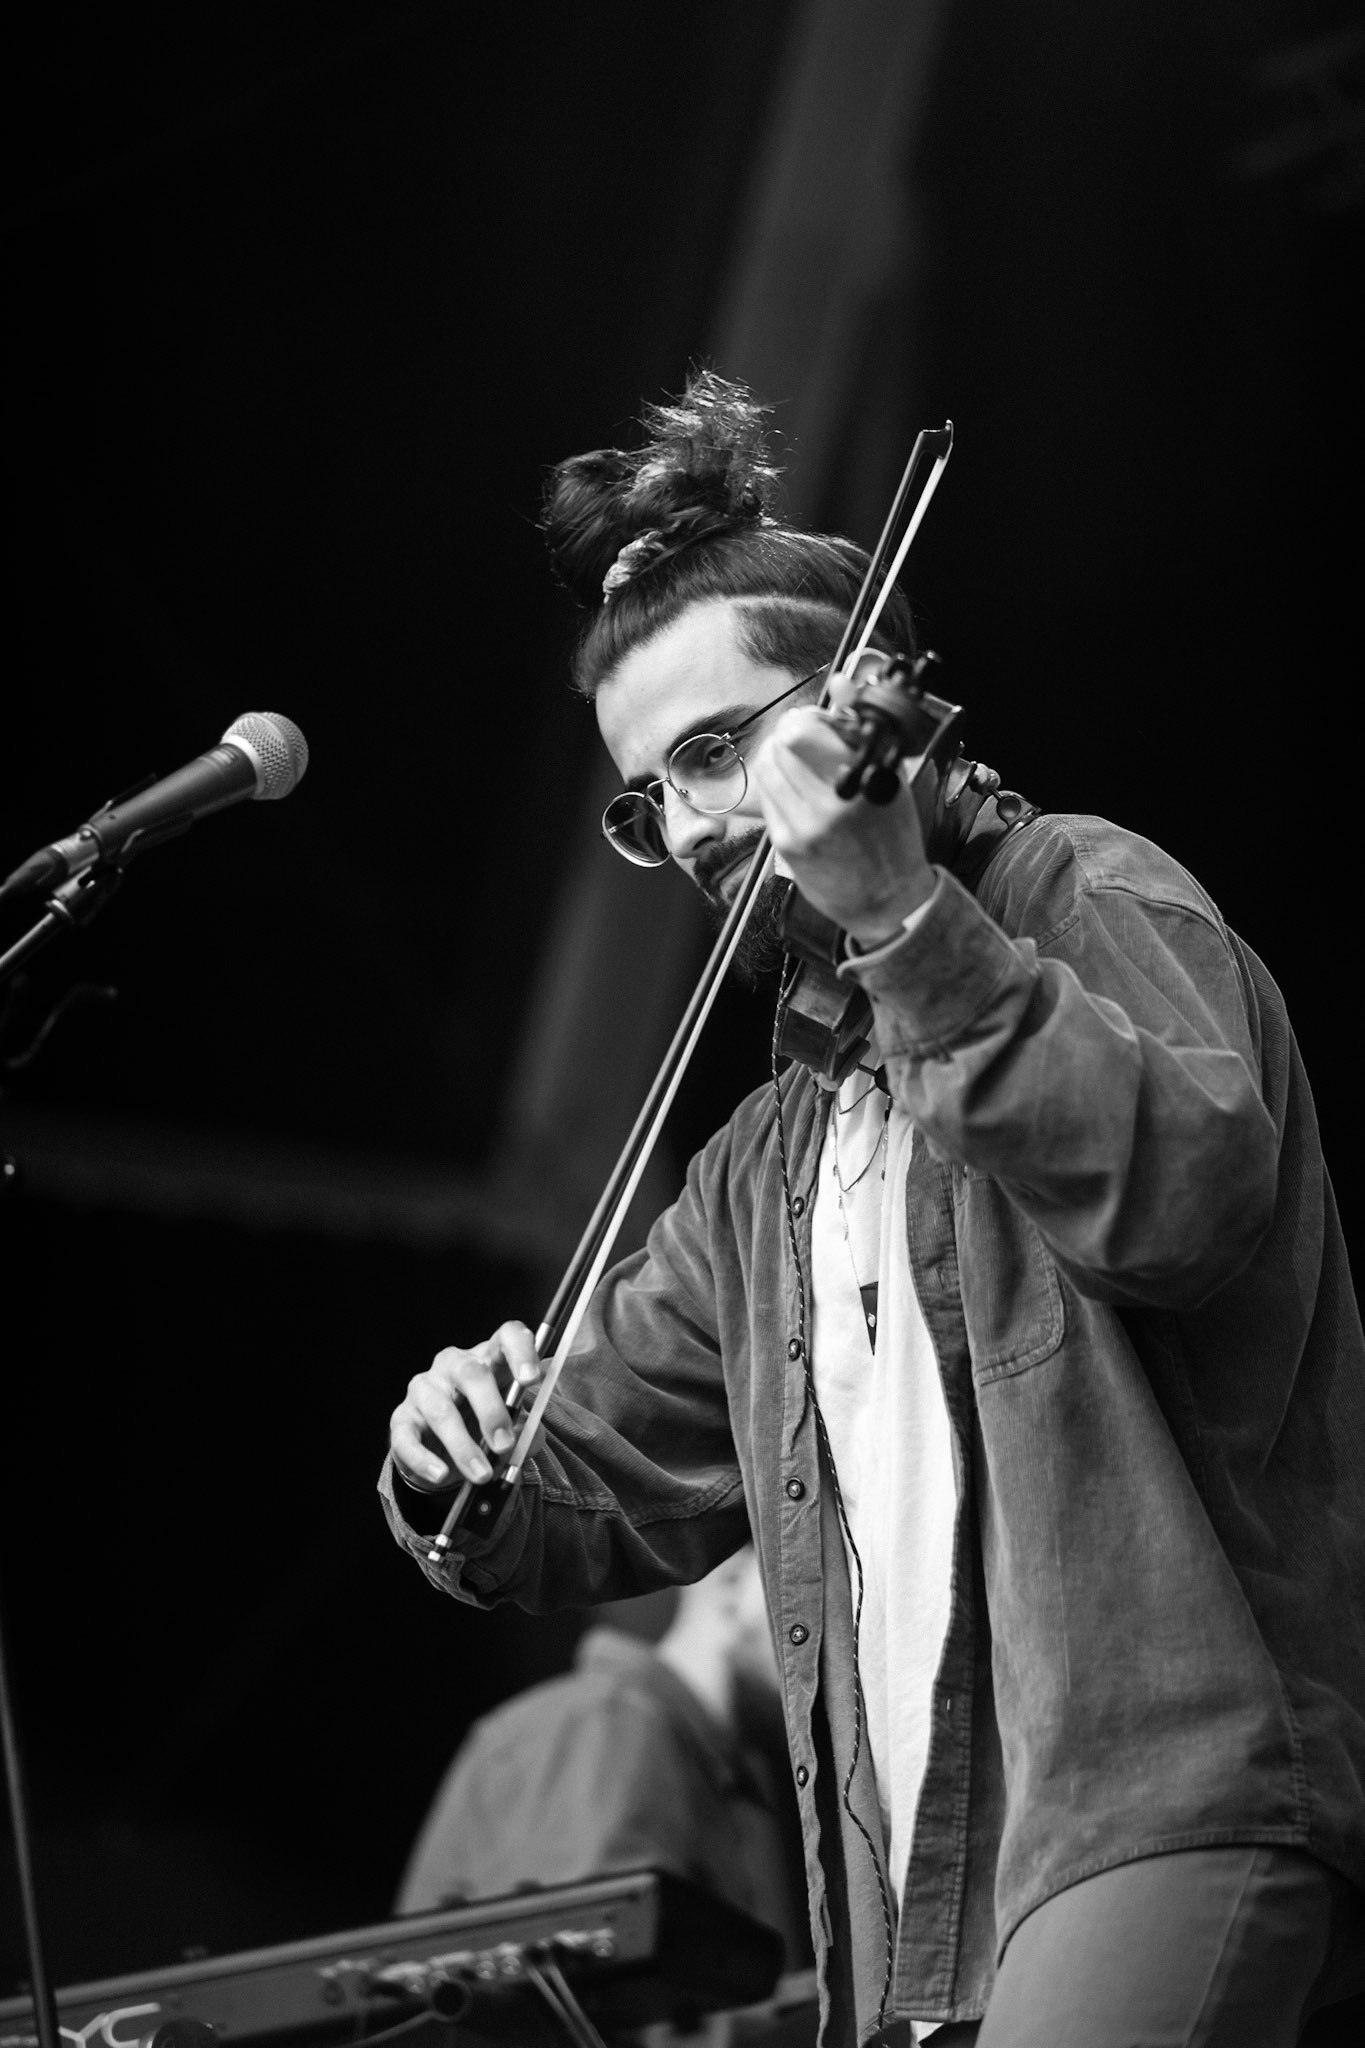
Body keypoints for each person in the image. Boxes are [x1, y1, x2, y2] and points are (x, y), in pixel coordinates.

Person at [382, 372, 1365, 2047]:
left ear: (868, 710)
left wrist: (908, 920)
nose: (691, 825)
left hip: (1167, 1795)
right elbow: (574, 1494)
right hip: (917, 1890)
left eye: (714, 751)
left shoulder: (1084, 890)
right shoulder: (769, 1157)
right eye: (648, 795)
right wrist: (450, 1454)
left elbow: (1184, 1199)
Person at [395, 1545, 811, 1984]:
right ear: (734, 1584)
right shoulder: (612, 1723)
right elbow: (583, 1993)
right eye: (820, 1608)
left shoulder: (680, 1754)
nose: (838, 1653)